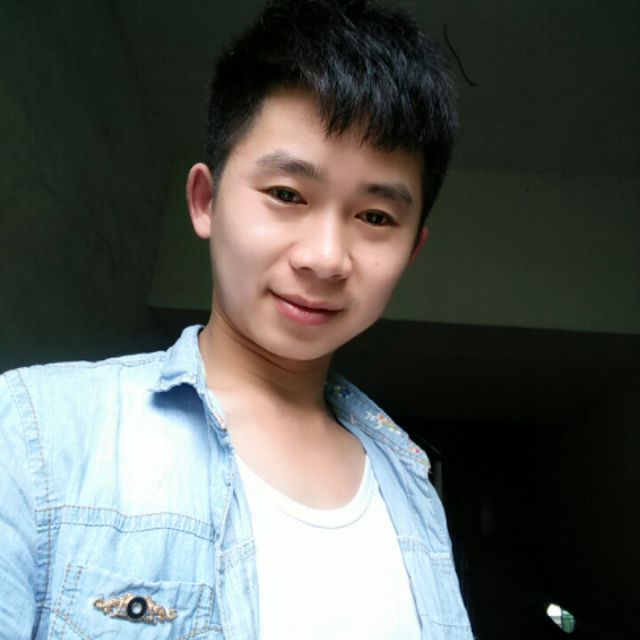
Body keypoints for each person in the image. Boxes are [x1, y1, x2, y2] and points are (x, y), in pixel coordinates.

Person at [0, 0, 472, 638]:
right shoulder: (36, 433)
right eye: (287, 194)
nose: (325, 258)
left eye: (375, 217)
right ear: (206, 201)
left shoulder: (414, 490)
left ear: (411, 250)